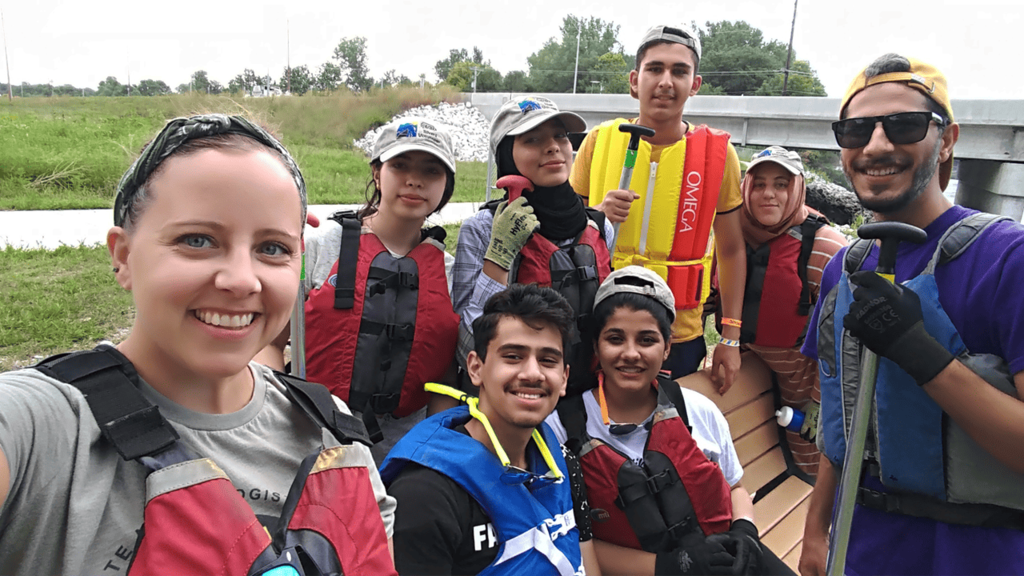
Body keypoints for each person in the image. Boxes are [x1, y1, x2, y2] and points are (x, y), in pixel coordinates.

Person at [0, 115, 397, 575]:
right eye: (197, 240)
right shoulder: (42, 429)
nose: (241, 280)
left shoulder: (333, 429)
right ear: (123, 256)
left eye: (272, 248)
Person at [799, 55, 1024, 576]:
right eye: (856, 130)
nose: (876, 145)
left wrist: (920, 353)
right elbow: (843, 421)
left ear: (946, 140)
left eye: (904, 125)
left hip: (982, 558)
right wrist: (815, 533)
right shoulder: (842, 271)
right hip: (863, 551)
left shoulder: (1007, 261)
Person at [547, 266, 795, 575]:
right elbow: (565, 538)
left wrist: (745, 531)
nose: (630, 353)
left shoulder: (697, 410)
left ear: (667, 348)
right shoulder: (561, 431)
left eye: (647, 340)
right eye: (615, 338)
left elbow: (735, 487)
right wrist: (671, 565)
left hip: (720, 559)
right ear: (596, 346)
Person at [261, 117, 461, 463]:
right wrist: (280, 422)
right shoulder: (319, 246)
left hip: (404, 451)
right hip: (313, 437)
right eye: (400, 166)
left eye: (431, 171)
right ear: (376, 172)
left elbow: (445, 375)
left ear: (446, 185)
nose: (415, 180)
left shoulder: (449, 271)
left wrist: (430, 453)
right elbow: (269, 344)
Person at [570, 24, 746, 390]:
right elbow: (564, 234)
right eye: (655, 69)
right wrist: (597, 214)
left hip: (676, 334)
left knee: (665, 436)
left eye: (679, 71)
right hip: (599, 320)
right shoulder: (597, 143)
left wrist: (729, 338)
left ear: (695, 84)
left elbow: (731, 251)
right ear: (635, 80)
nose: (666, 81)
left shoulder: (719, 156)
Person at [380, 284, 598, 575]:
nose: (532, 373)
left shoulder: (559, 461)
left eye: (547, 360)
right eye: (513, 356)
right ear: (475, 368)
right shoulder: (426, 494)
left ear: (564, 378)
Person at [452, 96, 614, 395]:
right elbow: (467, 349)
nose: (553, 146)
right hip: (517, 398)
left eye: (561, 136)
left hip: (585, 400)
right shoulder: (482, 228)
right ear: (507, 156)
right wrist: (500, 255)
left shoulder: (598, 226)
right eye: (533, 139)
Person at [728, 146, 847, 479]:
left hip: (805, 378)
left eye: (781, 184)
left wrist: (823, 400)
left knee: (811, 465)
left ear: (798, 191)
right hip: (746, 367)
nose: (769, 194)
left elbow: (845, 338)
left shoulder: (827, 248)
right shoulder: (730, 235)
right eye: (759, 184)